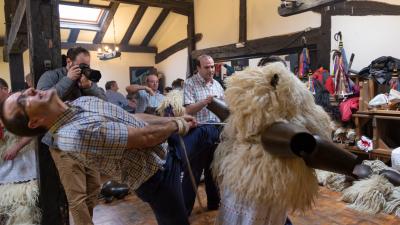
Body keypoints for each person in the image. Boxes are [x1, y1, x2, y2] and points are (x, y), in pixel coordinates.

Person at [0, 88, 220, 225]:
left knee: (208, 134)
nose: (29, 90)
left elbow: (135, 118)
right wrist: (176, 124)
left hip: (165, 151)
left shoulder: (78, 103)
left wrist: (176, 121)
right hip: (156, 178)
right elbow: (144, 137)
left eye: (23, 90)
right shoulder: (75, 134)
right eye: (23, 101)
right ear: (35, 122)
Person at [36, 46, 104, 225]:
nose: (85, 70)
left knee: (94, 188)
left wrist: (89, 87)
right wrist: (68, 80)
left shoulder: (87, 80)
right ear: (69, 62)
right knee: (77, 195)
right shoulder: (52, 76)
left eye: (87, 65)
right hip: (62, 142)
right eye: (82, 66)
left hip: (88, 142)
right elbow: (42, 101)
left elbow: (104, 103)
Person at [182, 54, 224, 214]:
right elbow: (188, 109)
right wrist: (205, 102)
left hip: (216, 130)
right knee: (193, 172)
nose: (211, 70)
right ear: (198, 68)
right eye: (207, 67)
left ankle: (214, 203)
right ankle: (184, 210)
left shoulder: (217, 85)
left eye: (212, 66)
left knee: (213, 170)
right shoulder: (190, 83)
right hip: (198, 131)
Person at [0, 78, 40, 224]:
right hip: (5, 160)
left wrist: (17, 146)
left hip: (23, 156)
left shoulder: (20, 103)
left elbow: (35, 128)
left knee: (25, 199)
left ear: (5, 89)